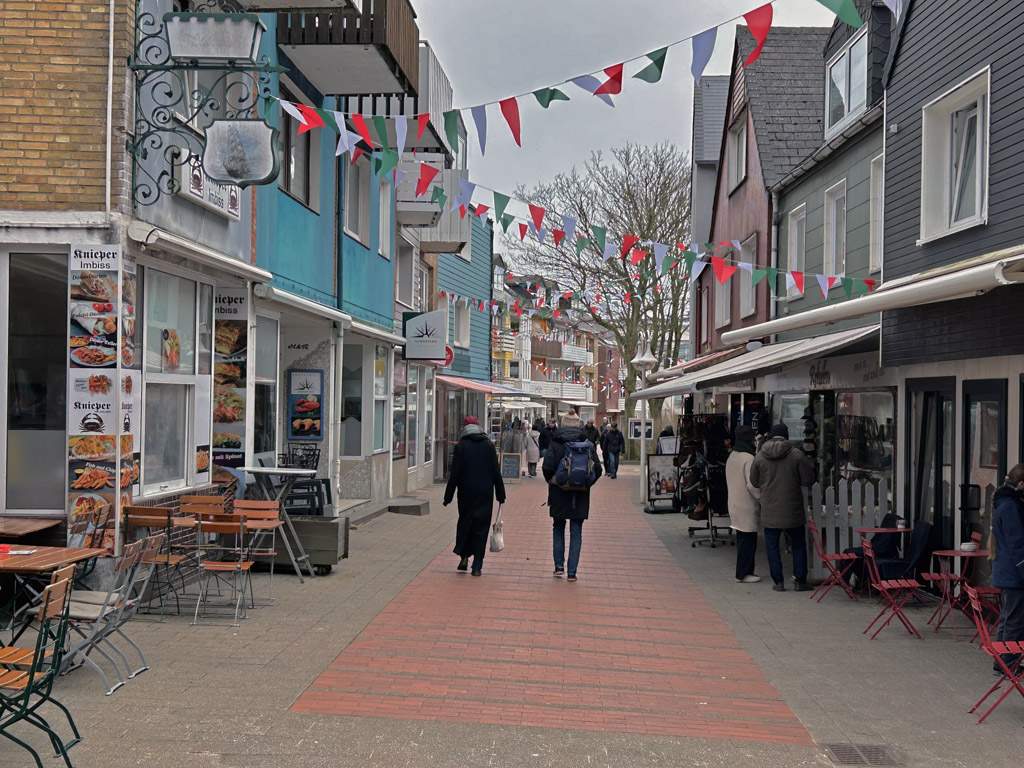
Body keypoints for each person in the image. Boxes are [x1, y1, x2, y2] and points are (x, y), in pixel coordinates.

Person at [749, 424, 815, 592]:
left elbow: (755, 482)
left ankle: (778, 582)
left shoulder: (760, 457)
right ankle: (800, 580)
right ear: (786, 436)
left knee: (772, 546)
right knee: (799, 544)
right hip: (793, 508)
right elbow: (807, 480)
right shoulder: (797, 455)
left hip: (770, 508)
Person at [443, 416, 506, 577]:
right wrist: (501, 493)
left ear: (464, 428)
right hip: (485, 492)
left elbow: (455, 474)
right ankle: (477, 565)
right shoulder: (488, 445)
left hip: (466, 492)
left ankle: (464, 556)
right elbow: (495, 471)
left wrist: (448, 496)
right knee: (481, 527)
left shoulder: (461, 446)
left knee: (465, 523)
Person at [543, 411, 602, 582]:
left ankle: (559, 566)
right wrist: (586, 484)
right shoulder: (588, 444)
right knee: (576, 531)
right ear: (578, 425)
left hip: (559, 492)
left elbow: (547, 467)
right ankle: (572, 572)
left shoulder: (556, 443)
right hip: (580, 495)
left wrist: (554, 481)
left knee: (558, 527)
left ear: (562, 424)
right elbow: (598, 469)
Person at [990, 464, 1024, 673]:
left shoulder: (1004, 502)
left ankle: (1001, 661)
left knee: (1007, 618)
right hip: (1014, 574)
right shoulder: (1011, 506)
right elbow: (1017, 543)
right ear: (1021, 484)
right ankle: (1008, 663)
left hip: (1006, 571)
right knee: (1014, 620)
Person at [727, 426, 761, 583]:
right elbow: (752, 484)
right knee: (748, 540)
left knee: (742, 538)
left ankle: (745, 571)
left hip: (734, 503)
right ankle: (744, 573)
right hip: (746, 504)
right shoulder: (749, 458)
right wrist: (762, 498)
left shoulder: (733, 456)